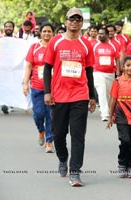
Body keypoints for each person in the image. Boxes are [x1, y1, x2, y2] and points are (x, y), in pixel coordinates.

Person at [43, 7, 96, 187]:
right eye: (71, 18)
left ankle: (75, 172)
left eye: (78, 19)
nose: (74, 21)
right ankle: (63, 158)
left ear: (82, 23)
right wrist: (47, 92)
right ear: (65, 21)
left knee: (78, 135)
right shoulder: (55, 42)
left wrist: (92, 96)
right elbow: (47, 68)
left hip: (79, 95)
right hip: (58, 96)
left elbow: (89, 72)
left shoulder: (86, 44)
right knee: (58, 134)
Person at [106, 55, 131, 178]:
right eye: (128, 65)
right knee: (125, 141)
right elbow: (113, 99)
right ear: (123, 67)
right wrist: (110, 116)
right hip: (121, 116)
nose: (130, 68)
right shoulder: (117, 81)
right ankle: (122, 165)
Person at [22, 22, 55, 153]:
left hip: (53, 88)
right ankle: (41, 130)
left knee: (51, 115)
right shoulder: (34, 47)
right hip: (37, 86)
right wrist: (25, 83)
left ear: (53, 33)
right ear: (40, 33)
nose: (47, 34)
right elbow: (29, 66)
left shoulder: (56, 47)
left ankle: (49, 141)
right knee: (38, 114)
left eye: (49, 31)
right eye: (44, 31)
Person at [93, 27, 120, 121]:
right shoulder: (95, 46)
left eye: (102, 33)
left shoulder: (113, 46)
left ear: (108, 35)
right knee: (102, 92)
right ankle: (105, 114)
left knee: (109, 93)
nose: (100, 35)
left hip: (110, 73)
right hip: (98, 72)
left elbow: (117, 58)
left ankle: (110, 111)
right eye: (99, 33)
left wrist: (118, 71)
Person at [0, 21, 17, 114]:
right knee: (3, 85)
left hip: (13, 68)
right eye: (6, 26)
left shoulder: (18, 41)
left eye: (10, 26)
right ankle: (5, 103)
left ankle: (10, 103)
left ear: (13, 28)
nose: (8, 28)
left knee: (12, 85)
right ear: (4, 28)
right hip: (2, 68)